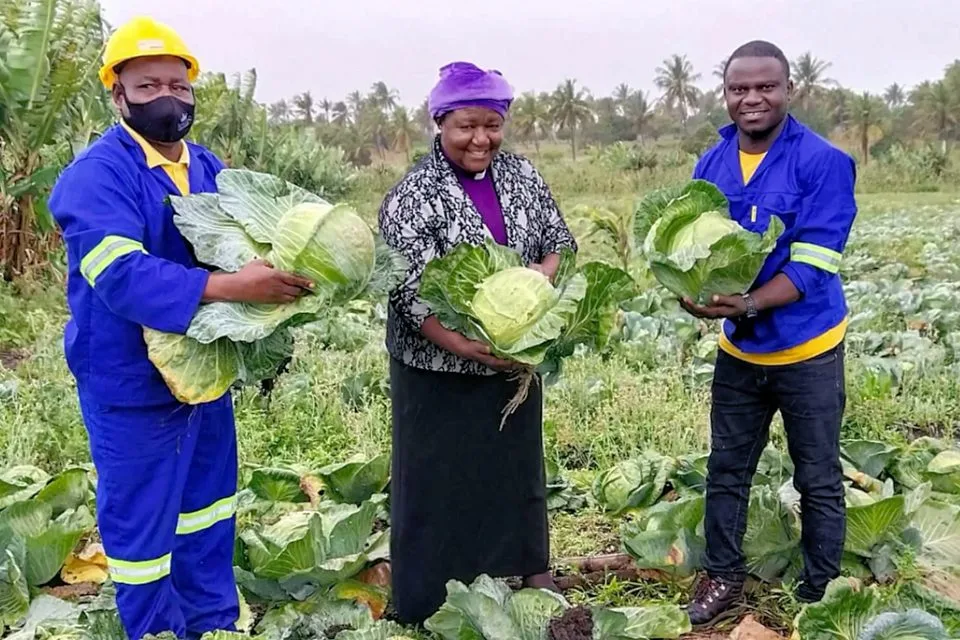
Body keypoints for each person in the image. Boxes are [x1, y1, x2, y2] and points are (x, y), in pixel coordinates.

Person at [48, 17, 312, 639]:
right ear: (119, 95)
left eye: (178, 85)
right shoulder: (96, 175)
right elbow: (121, 277)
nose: (168, 99)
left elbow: (247, 242)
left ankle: (213, 622)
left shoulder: (209, 166)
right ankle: (157, 631)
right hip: (129, 378)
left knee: (207, 508)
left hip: (205, 366)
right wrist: (233, 288)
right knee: (141, 523)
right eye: (148, 87)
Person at [379, 61, 578, 625]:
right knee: (435, 475)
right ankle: (426, 594)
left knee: (517, 466)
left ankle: (530, 567)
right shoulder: (414, 194)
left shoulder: (521, 174)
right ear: (440, 123)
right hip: (434, 364)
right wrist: (461, 343)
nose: (481, 139)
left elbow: (557, 240)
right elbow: (406, 287)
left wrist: (539, 279)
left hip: (512, 359)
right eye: (466, 125)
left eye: (492, 124)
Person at [680, 40, 858, 625]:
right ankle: (724, 576)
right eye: (739, 89)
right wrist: (692, 290)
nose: (751, 99)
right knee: (726, 468)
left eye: (765, 87)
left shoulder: (823, 161)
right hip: (740, 349)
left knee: (818, 474)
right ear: (725, 94)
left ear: (788, 90)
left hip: (807, 348)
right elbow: (696, 249)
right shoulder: (710, 164)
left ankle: (820, 589)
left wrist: (751, 301)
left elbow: (813, 262)